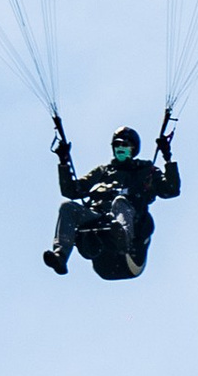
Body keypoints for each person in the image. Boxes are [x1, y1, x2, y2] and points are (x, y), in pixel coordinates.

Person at [44, 112, 179, 279]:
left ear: (133, 149)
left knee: (120, 201)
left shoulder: (145, 171)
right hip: (100, 237)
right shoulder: (102, 172)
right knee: (67, 207)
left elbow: (171, 189)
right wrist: (63, 162)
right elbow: (71, 191)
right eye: (117, 144)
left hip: (131, 253)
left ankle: (123, 237)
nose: (120, 148)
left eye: (125, 144)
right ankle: (61, 255)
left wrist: (167, 158)